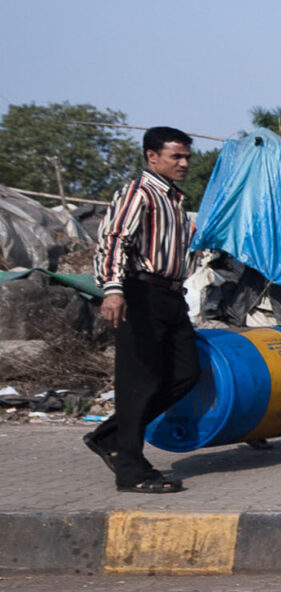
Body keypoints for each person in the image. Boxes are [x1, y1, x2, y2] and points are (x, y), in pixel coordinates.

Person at [87, 127, 198, 493]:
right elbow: (114, 240)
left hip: (169, 297)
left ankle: (110, 435)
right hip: (138, 294)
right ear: (152, 157)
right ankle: (131, 470)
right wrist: (114, 290)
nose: (184, 163)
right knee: (140, 383)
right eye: (175, 157)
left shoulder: (175, 200)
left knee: (185, 373)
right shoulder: (140, 192)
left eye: (186, 157)